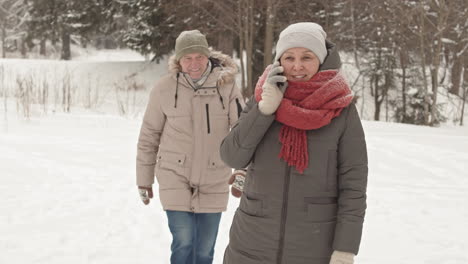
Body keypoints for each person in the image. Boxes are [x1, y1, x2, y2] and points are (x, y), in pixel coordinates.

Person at [220, 22, 368, 264]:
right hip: (251, 245)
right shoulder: (262, 98)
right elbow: (232, 156)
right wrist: (264, 111)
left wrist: (345, 248)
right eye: (289, 57)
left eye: (307, 57)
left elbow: (353, 186)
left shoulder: (341, 110)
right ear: (280, 60)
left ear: (320, 59)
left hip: (313, 247)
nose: (297, 66)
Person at [136, 29, 245, 264]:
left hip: (215, 175)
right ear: (178, 60)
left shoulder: (226, 87)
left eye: (199, 57)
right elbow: (149, 136)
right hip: (174, 173)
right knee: (184, 242)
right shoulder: (164, 89)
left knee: (204, 250)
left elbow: (242, 133)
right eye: (187, 58)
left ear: (208, 57)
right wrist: (143, 179)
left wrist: (242, 170)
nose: (194, 63)